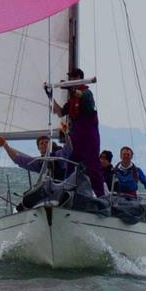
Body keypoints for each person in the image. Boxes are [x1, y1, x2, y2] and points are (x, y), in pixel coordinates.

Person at [52, 68, 104, 196]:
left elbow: (80, 94)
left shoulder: (87, 93)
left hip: (89, 137)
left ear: (80, 78)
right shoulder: (71, 101)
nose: (72, 80)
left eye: (74, 77)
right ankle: (66, 193)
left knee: (92, 166)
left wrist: (71, 89)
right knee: (70, 163)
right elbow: (59, 112)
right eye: (71, 78)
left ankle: (101, 195)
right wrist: (50, 96)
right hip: (76, 137)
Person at [0, 134, 75, 209]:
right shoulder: (38, 162)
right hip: (47, 193)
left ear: (51, 145)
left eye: (47, 142)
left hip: (63, 191)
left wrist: (66, 133)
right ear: (38, 148)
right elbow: (18, 159)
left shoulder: (58, 155)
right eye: (41, 143)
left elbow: (68, 149)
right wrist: (5, 145)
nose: (44, 144)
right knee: (26, 200)